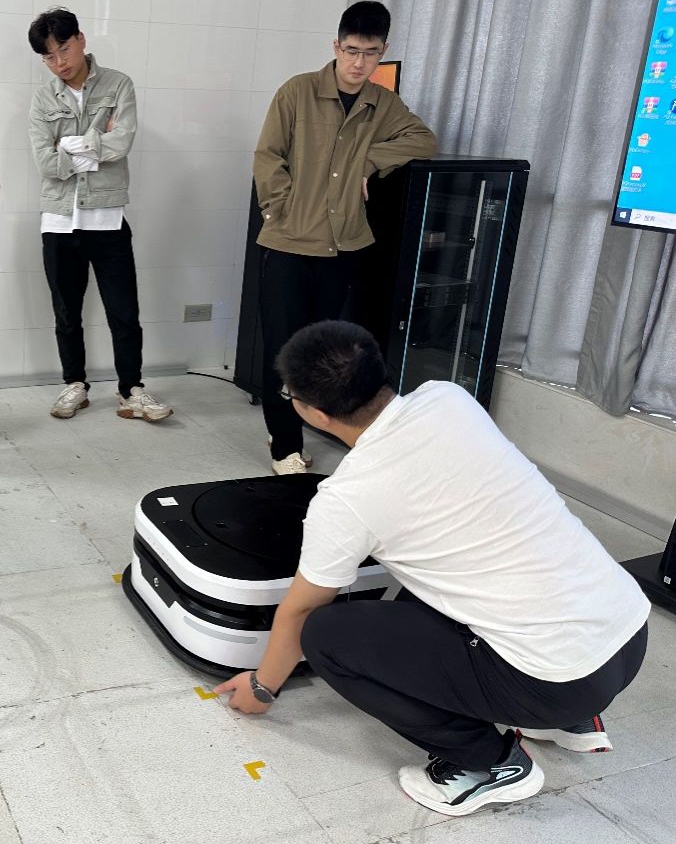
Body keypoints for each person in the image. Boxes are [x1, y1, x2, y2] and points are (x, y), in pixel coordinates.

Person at [215, 320, 650, 817]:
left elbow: (299, 610)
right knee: (439, 581)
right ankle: (570, 723)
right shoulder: (448, 399)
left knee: (325, 635)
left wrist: (262, 686)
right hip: (627, 636)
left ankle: (489, 764)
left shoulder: (346, 499)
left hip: (554, 682)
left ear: (315, 413)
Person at [253, 1, 436, 474]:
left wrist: (371, 161)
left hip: (344, 246)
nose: (359, 63)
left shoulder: (383, 105)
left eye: (370, 53)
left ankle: (310, 421)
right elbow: (268, 155)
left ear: (383, 51)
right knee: (284, 348)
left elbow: (423, 139)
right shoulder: (297, 91)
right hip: (289, 242)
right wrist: (280, 209)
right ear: (336, 46)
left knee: (322, 349)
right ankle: (284, 444)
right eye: (351, 50)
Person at [26, 8, 172, 423]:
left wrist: (67, 146)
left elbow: (121, 142)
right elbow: (44, 162)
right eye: (49, 57)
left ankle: (132, 390)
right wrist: (93, 142)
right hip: (59, 220)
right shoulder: (42, 99)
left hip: (107, 218)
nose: (59, 62)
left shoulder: (118, 85)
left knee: (124, 311)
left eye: (64, 49)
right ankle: (75, 384)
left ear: (81, 40)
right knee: (66, 313)